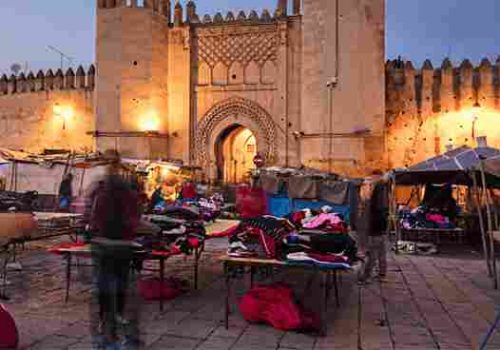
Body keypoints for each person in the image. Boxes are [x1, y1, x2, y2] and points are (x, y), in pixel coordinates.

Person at [86, 150, 141, 350]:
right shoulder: (127, 189)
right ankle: (118, 329)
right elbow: (135, 218)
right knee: (119, 289)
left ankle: (106, 333)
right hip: (120, 247)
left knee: (104, 291)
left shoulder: (98, 188)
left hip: (103, 246)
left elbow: (88, 217)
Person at [359, 173, 389, 283]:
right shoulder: (384, 188)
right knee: (381, 251)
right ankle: (382, 274)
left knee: (373, 252)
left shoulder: (377, 191)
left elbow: (373, 210)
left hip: (375, 226)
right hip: (381, 225)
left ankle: (366, 276)